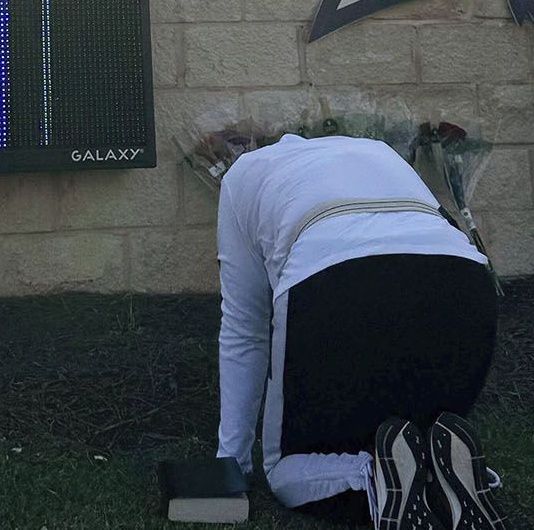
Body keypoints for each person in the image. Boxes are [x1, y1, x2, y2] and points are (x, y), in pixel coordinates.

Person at [215, 132, 508, 528]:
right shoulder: (378, 150)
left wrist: (230, 462)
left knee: (283, 471)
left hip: (335, 283)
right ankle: (449, 478)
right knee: (418, 432)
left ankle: (372, 476)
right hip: (463, 280)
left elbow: (245, 329)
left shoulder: (240, 176)